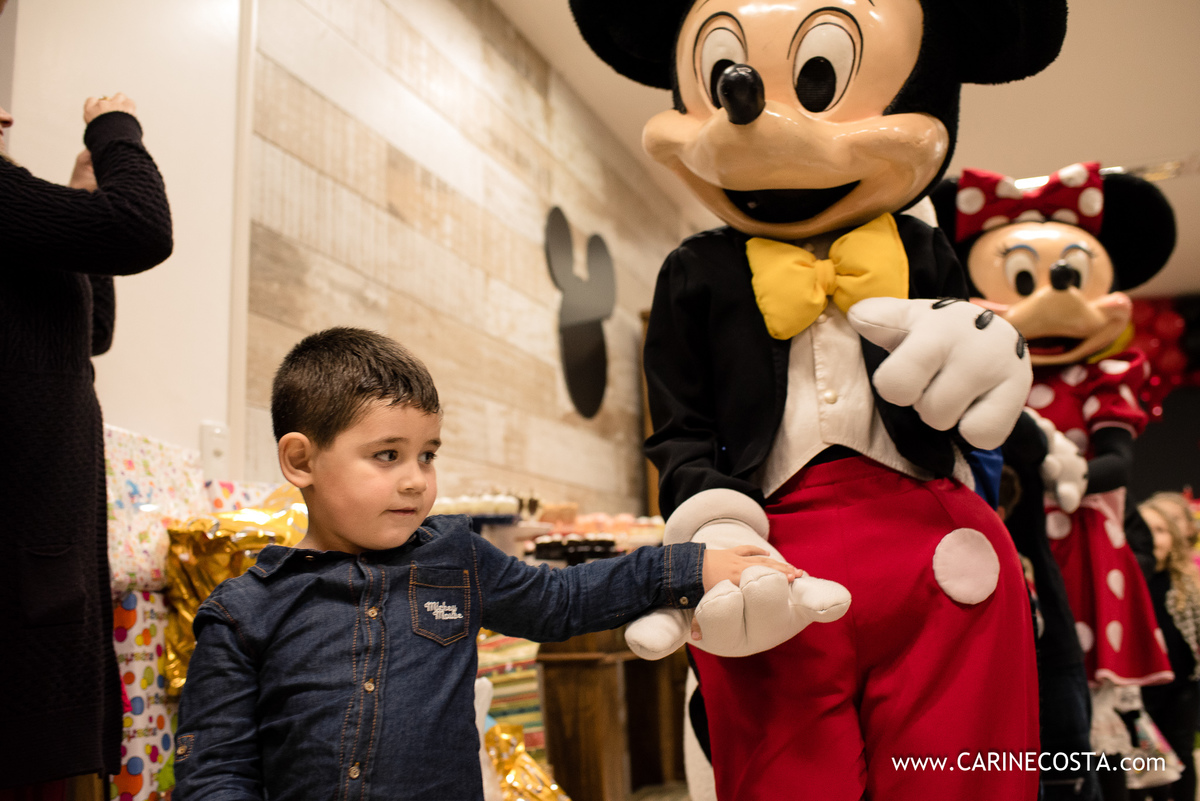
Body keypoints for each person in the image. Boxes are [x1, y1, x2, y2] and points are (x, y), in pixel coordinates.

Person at [173, 327, 798, 800]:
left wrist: (688, 566)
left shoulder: (456, 558)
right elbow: (217, 772)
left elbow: (563, 601)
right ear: (301, 461)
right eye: (388, 455)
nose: (417, 481)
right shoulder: (240, 613)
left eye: (428, 455)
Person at [0, 86, 172, 796]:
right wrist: (116, 129)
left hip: (43, 549)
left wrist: (78, 199)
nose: (5, 116)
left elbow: (87, 332)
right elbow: (140, 226)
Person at [1136, 499, 1200, 801]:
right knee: (1146, 763)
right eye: (1146, 529)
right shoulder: (1131, 581)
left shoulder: (1188, 583)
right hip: (1138, 691)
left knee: (1182, 754)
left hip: (1180, 689)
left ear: (1174, 537)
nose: (1152, 537)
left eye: (1161, 530)